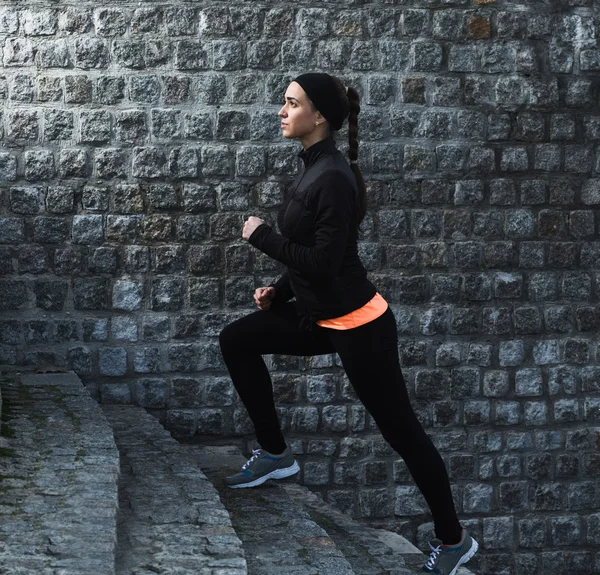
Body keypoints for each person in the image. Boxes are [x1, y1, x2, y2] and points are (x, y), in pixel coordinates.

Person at [218, 72, 478, 575]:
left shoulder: (333, 176)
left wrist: (262, 236)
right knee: (237, 339)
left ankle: (453, 541)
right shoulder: (313, 168)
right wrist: (280, 289)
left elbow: (324, 260)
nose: (281, 111)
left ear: (319, 116)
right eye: (284, 103)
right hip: (317, 316)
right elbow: (310, 256)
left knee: (403, 434)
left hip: (360, 325)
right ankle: (275, 453)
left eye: (291, 103)